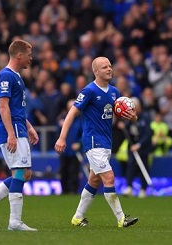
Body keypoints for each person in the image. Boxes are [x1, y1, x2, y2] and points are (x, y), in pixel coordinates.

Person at [54, 56, 138, 228]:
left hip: (106, 142)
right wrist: (62, 137)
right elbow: (71, 114)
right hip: (93, 142)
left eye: (110, 65)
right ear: (96, 71)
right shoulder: (89, 91)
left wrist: (133, 117)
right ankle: (122, 219)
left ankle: (77, 218)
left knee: (94, 181)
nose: (109, 69)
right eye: (104, 67)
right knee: (109, 177)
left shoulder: (114, 92)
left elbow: (121, 112)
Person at [0, 40, 39, 231]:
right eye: (29, 54)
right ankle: (14, 222)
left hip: (19, 127)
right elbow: (3, 106)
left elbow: (16, 108)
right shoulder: (6, 76)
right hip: (12, 130)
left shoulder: (16, 76)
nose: (31, 58)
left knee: (25, 173)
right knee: (19, 172)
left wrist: (29, 127)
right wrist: (11, 133)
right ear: (19, 55)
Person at [122, 97, 153, 198]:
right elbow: (127, 130)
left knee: (143, 166)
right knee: (130, 165)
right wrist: (123, 126)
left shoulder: (145, 117)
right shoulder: (128, 118)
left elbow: (148, 134)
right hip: (132, 146)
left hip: (143, 147)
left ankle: (143, 189)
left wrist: (139, 145)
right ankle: (129, 187)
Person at [57, 99, 83, 194]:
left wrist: (79, 143)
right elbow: (57, 133)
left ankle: (73, 190)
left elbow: (84, 133)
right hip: (64, 149)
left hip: (75, 150)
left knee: (74, 171)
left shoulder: (81, 120)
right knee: (63, 170)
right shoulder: (63, 119)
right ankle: (64, 190)